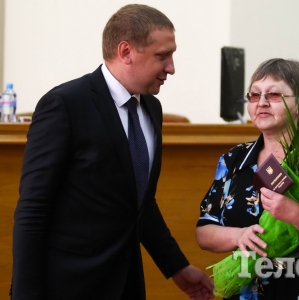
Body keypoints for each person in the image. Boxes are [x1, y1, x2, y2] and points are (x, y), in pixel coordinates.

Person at [12, 4, 213, 300]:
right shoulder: (65, 105)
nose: (171, 67)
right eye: (162, 56)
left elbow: (139, 203)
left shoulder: (151, 108)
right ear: (126, 51)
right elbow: (32, 209)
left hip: (127, 284)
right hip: (68, 286)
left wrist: (176, 267)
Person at [196, 58, 299, 299]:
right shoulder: (234, 159)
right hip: (248, 289)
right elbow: (204, 230)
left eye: (274, 94)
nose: (262, 102)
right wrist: (238, 236)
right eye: (254, 95)